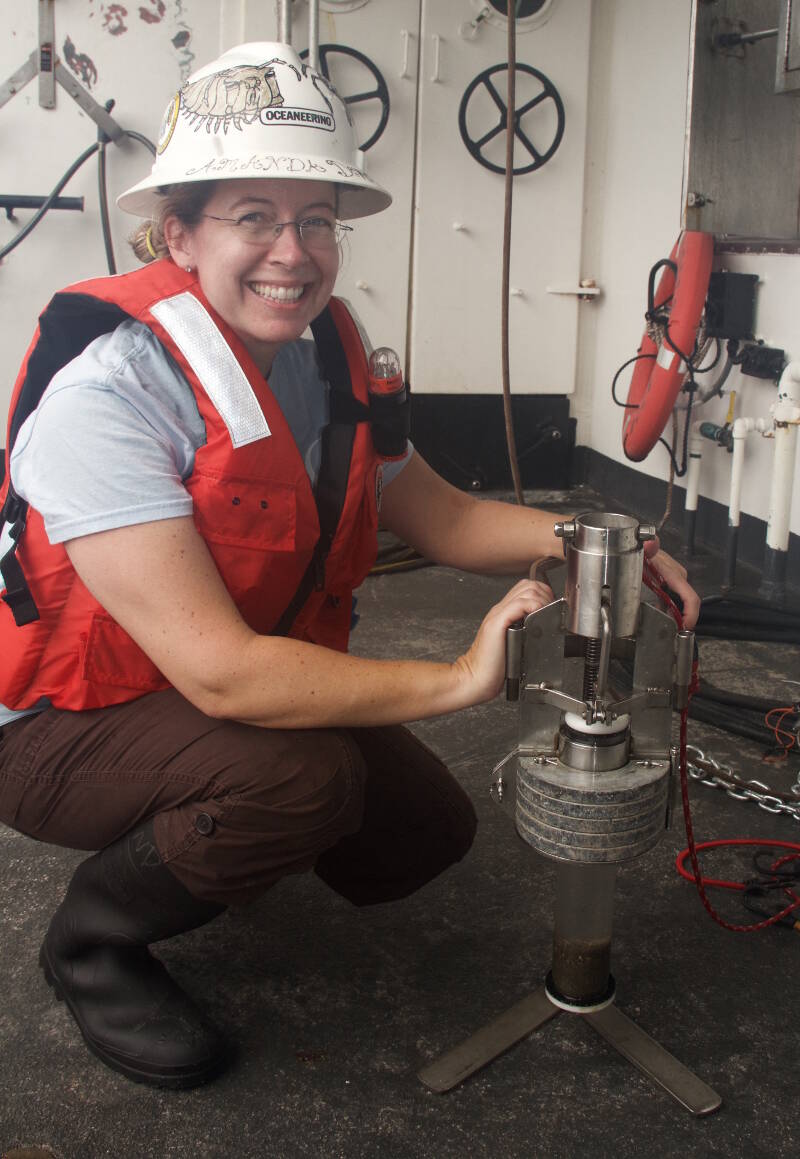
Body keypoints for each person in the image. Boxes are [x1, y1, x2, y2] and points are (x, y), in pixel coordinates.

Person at [0, 42, 699, 1090]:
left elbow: (446, 518)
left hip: (199, 684)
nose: (294, 251)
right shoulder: (110, 395)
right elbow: (223, 675)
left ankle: (214, 827)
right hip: (60, 724)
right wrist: (456, 678)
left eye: (316, 218)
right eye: (252, 215)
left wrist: (608, 540)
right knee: (302, 779)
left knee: (420, 836)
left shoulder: (325, 352)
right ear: (178, 233)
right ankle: (92, 944)